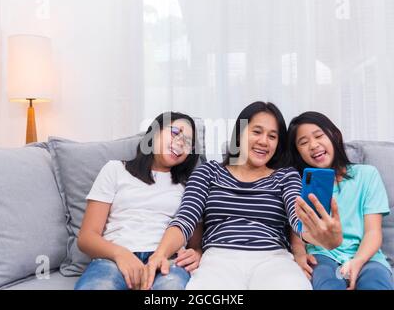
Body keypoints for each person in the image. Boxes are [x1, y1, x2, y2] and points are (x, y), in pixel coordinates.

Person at [142, 102, 343, 290]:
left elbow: (297, 216)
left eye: (272, 136)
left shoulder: (285, 176)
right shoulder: (208, 172)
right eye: (257, 132)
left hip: (274, 260)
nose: (264, 141)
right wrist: (160, 254)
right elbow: (185, 218)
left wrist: (321, 235)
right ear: (239, 134)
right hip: (218, 261)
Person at [74, 112, 203, 290]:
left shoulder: (189, 187)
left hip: (167, 261)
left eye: (189, 142)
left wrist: (196, 254)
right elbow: (86, 237)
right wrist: (121, 254)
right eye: (175, 132)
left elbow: (196, 245)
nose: (181, 143)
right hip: (113, 259)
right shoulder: (115, 169)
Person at [288, 111, 394, 290]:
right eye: (303, 143)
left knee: (375, 283)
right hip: (322, 256)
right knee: (327, 284)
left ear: (334, 136)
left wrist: (358, 261)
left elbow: (373, 232)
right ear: (299, 153)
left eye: (319, 136)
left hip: (367, 256)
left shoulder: (367, 175)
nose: (313, 145)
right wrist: (298, 253)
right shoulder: (300, 184)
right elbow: (297, 228)